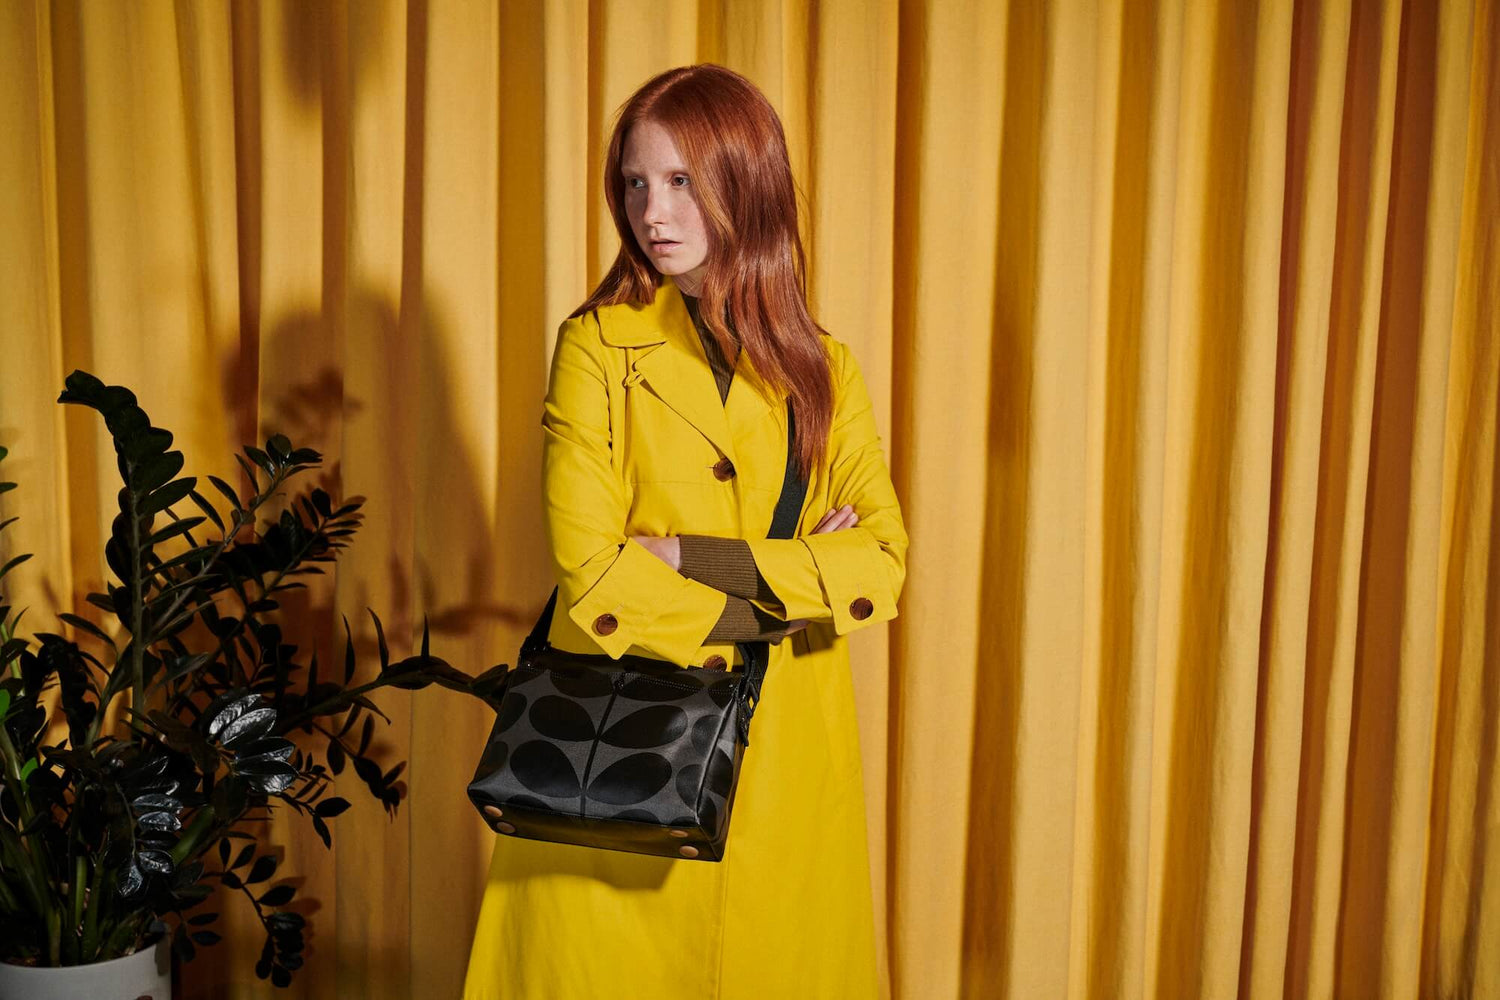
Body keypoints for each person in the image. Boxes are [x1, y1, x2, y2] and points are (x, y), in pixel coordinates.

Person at [463, 63, 909, 1000]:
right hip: (628, 744)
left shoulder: (827, 370)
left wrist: (686, 557)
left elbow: (882, 560)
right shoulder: (596, 348)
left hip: (788, 754)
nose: (651, 213)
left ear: (748, 183)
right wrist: (794, 590)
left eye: (681, 182)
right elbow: (593, 572)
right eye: (635, 182)